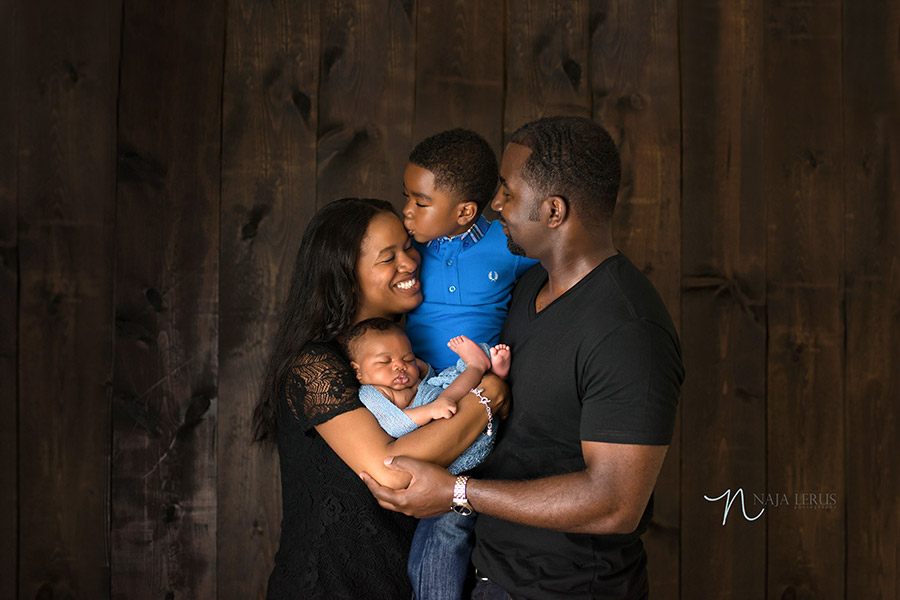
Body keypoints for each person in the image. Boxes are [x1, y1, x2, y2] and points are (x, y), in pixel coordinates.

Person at [362, 117, 685, 599]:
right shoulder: (527, 287)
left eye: (508, 193)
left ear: (553, 211)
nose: (494, 204)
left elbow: (616, 504)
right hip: (493, 574)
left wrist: (456, 494)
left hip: (567, 589)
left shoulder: (628, 330)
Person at [252, 198, 507, 600]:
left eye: (408, 247)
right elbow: (393, 471)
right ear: (345, 276)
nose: (410, 262)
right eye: (388, 257)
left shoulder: (414, 356)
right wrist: (487, 395)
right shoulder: (314, 366)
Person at [345, 317, 510, 600]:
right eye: (385, 362)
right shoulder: (373, 393)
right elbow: (394, 425)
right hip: (444, 471)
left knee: (451, 389)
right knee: (439, 545)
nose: (399, 366)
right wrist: (430, 410)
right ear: (358, 371)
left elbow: (436, 391)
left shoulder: (416, 382)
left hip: (463, 446)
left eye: (407, 358)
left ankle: (478, 367)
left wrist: (432, 393)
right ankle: (478, 369)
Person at [402, 128, 538, 370]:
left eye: (420, 203)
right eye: (407, 197)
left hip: (480, 379)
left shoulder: (508, 241)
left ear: (465, 212)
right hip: (414, 378)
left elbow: (562, 261)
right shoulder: (406, 249)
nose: (407, 210)